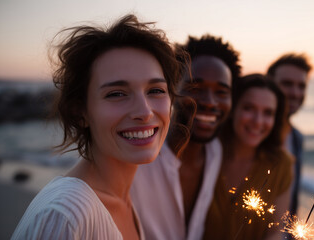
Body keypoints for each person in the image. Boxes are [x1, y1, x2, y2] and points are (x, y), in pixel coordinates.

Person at [11, 14, 184, 240]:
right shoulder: (67, 216)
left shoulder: (122, 198)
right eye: (116, 94)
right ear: (80, 112)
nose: (145, 112)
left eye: (156, 90)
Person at [130, 34, 241, 240]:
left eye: (222, 92)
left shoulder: (215, 151)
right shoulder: (137, 160)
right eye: (195, 88)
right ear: (172, 89)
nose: (209, 102)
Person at [203, 74, 293, 240]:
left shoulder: (281, 164)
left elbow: (275, 232)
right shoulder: (205, 153)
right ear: (232, 109)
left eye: (268, 113)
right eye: (248, 108)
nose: (258, 121)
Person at [267, 53, 313, 218]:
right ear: (269, 84)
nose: (295, 93)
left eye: (301, 86)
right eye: (287, 84)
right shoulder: (253, 134)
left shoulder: (297, 138)